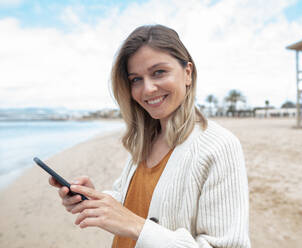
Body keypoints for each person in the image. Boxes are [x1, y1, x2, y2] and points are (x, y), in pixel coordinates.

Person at [49, 24, 250, 248]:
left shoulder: (220, 146)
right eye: (136, 79)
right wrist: (94, 199)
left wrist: (137, 227)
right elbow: (134, 201)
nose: (147, 89)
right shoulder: (146, 139)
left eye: (159, 72)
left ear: (187, 73)